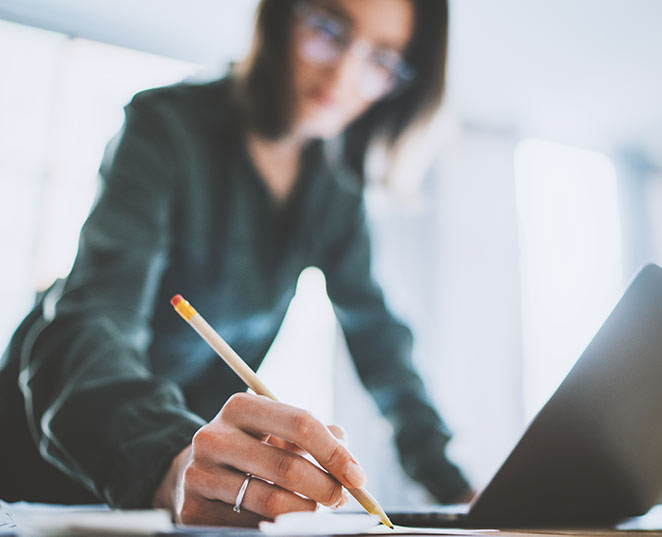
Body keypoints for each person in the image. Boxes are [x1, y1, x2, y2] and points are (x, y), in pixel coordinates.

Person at [0, 0, 473, 526]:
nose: (343, 74)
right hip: (45, 448)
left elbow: (382, 348)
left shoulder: (335, 191)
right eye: (328, 29)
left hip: (177, 483)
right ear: (282, 16)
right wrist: (171, 460)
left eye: (381, 61)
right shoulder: (165, 126)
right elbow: (94, 322)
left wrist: (455, 485)